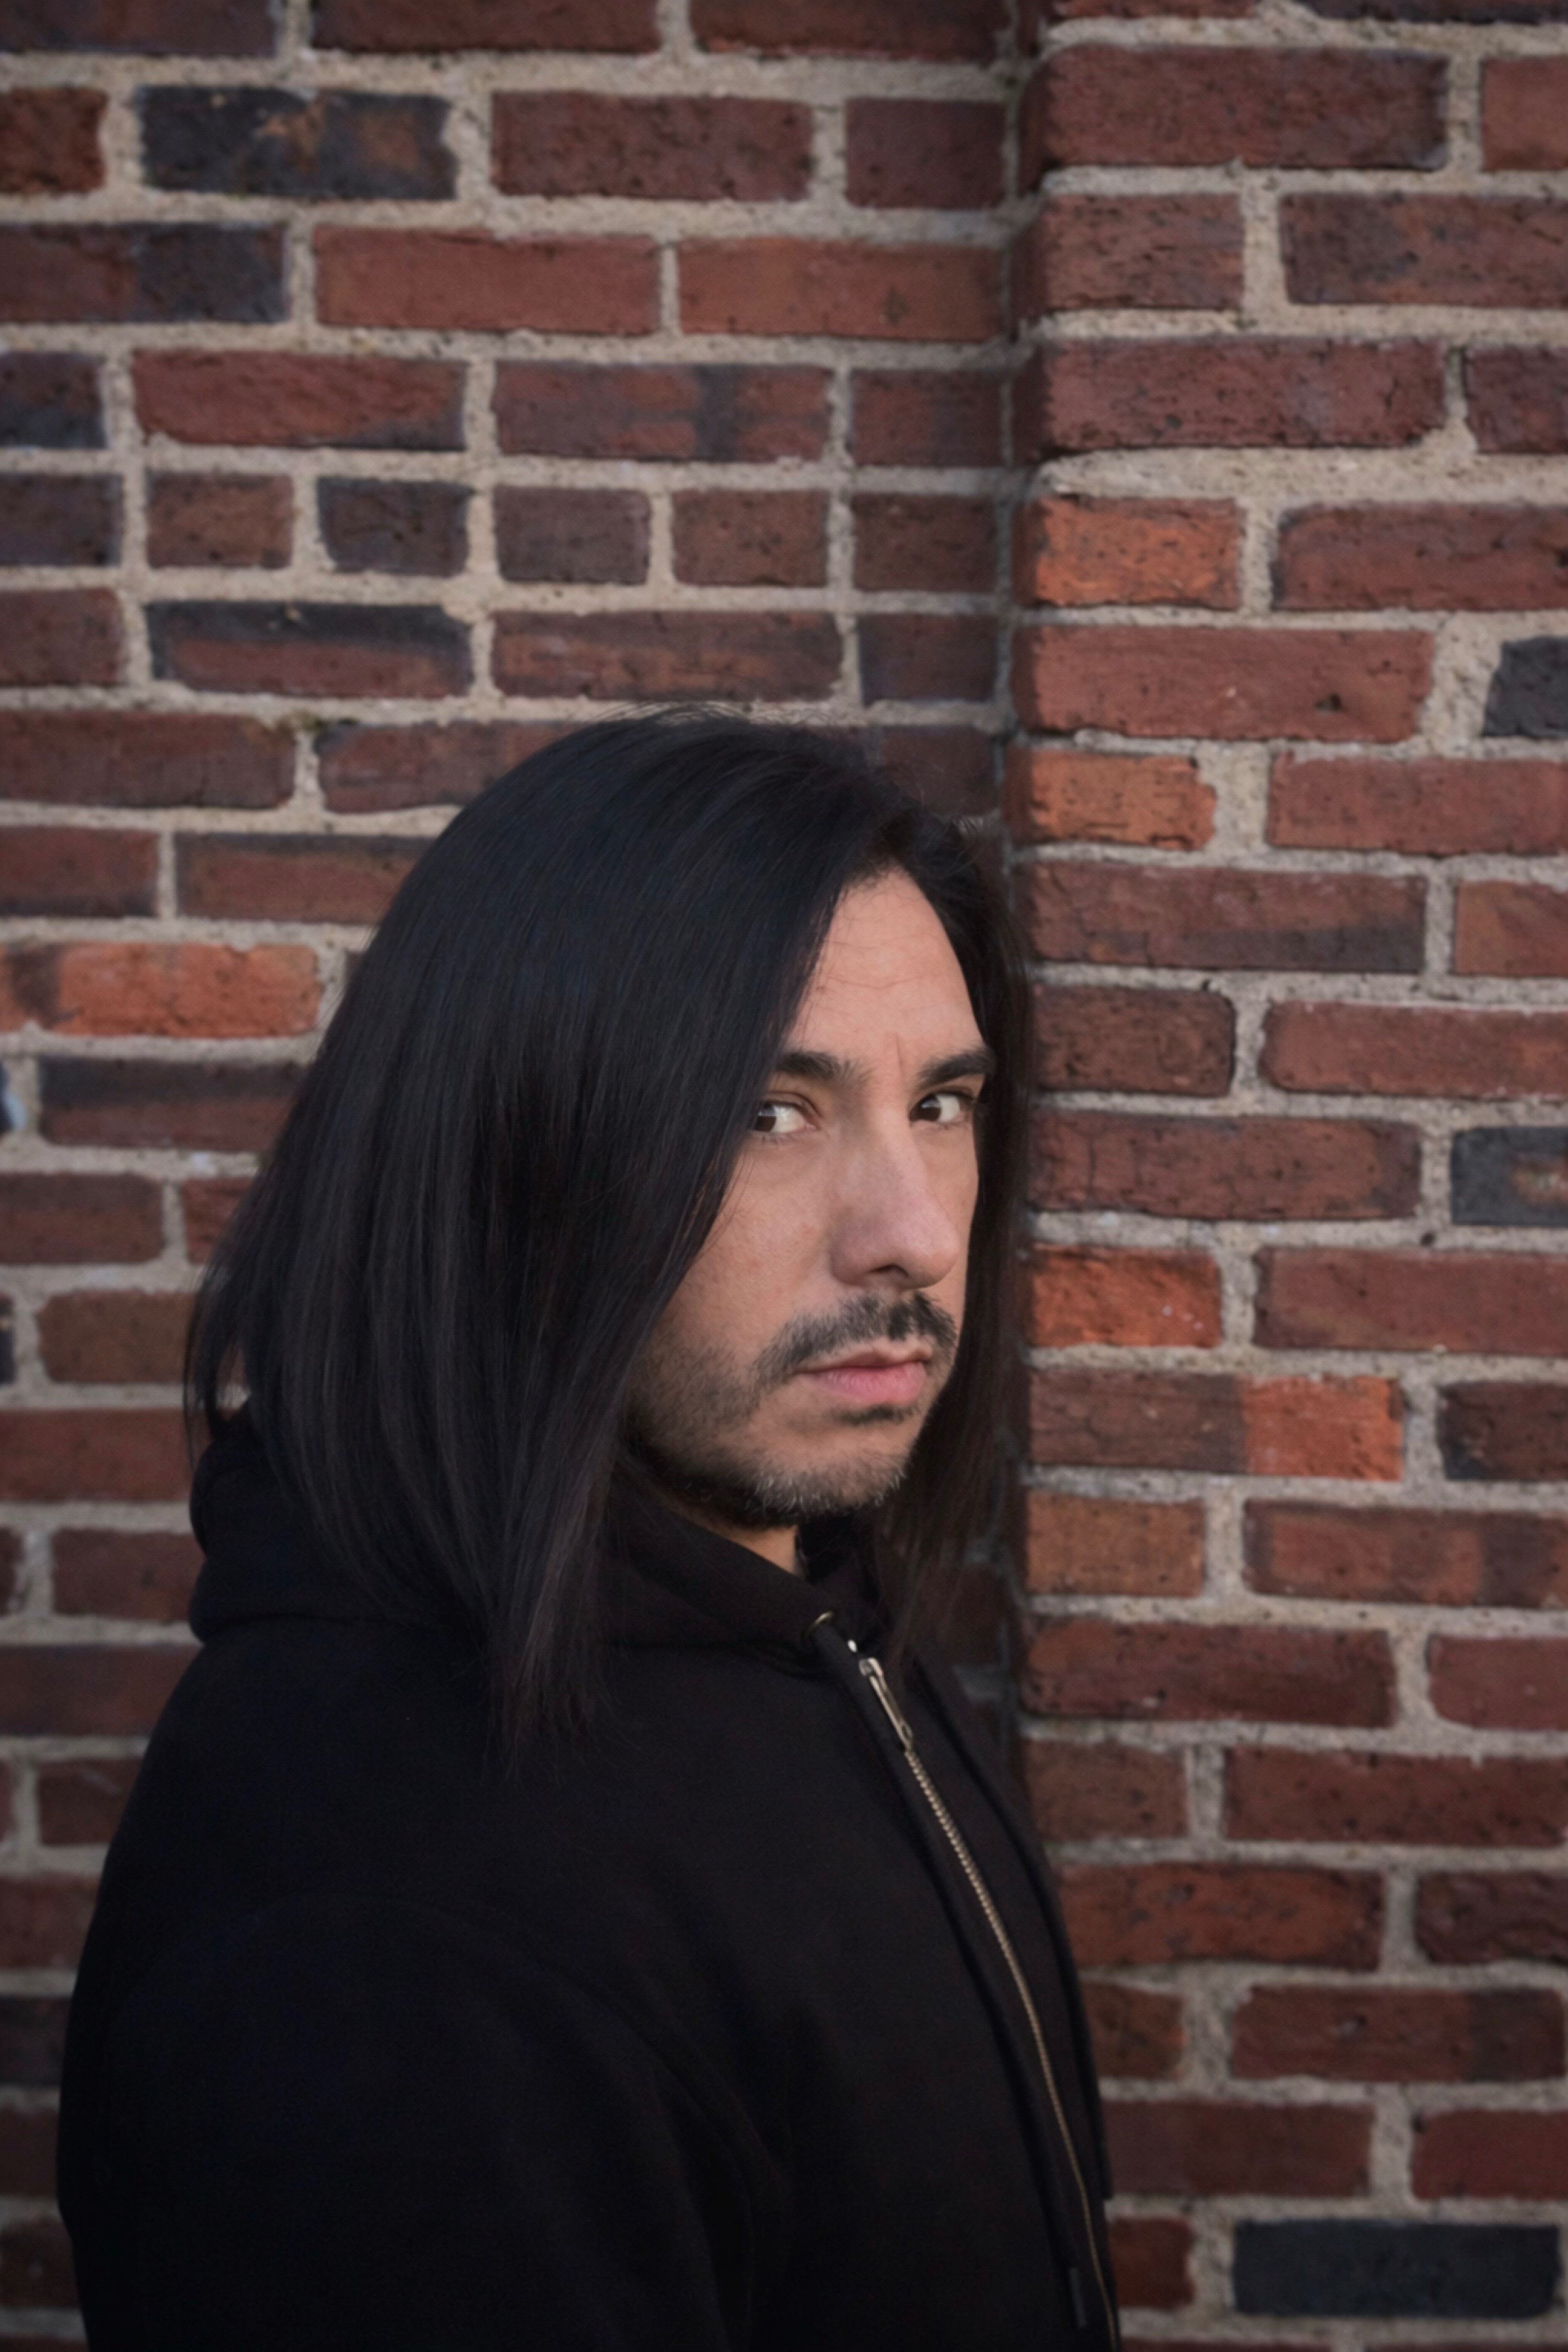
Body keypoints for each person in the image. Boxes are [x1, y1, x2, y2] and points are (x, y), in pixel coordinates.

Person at [57, 711, 1119, 2351]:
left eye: (942, 1103)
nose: (910, 1233)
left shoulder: (804, 1610)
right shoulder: (378, 1943)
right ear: (514, 1155)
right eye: (768, 1111)